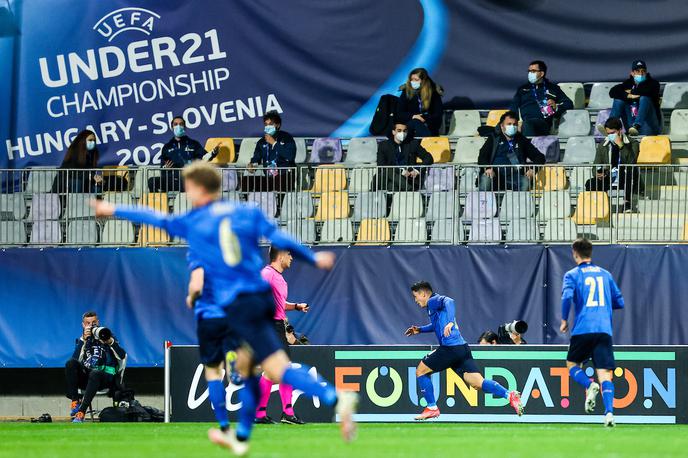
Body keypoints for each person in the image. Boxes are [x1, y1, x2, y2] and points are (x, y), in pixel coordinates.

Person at [93, 162, 357, 455]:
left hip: (236, 305)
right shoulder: (247, 212)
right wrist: (313, 258)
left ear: (197, 188)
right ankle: (247, 435)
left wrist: (112, 208)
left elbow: (153, 216)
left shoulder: (194, 221)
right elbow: (280, 239)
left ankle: (320, 401)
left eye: (188, 186)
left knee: (263, 368)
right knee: (254, 367)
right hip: (260, 299)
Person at [404, 281, 523, 420]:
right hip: (462, 349)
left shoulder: (433, 301)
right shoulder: (433, 307)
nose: (415, 300)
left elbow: (449, 301)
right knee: (478, 383)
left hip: (450, 349)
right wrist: (420, 329)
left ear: (423, 294)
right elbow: (436, 324)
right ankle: (509, 395)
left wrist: (449, 322)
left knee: (420, 371)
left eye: (415, 296)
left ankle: (431, 407)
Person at [560, 238, 625, 427]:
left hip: (583, 329)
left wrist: (564, 319)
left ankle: (589, 385)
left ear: (575, 253)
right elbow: (619, 302)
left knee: (572, 364)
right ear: (591, 252)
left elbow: (567, 297)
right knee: (605, 373)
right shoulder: (605, 275)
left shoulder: (572, 275)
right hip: (604, 329)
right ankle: (609, 414)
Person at [255, 247, 310, 425]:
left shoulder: (277, 277)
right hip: (270, 326)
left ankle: (260, 414)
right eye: (289, 254)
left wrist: (295, 306)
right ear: (280, 256)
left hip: (276, 326)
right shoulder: (267, 274)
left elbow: (278, 303)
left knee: (272, 372)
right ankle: (287, 413)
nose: (292, 258)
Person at [65, 311, 126, 423]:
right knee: (70, 363)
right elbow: (75, 360)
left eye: (94, 322)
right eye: (88, 323)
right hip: (88, 378)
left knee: (95, 373)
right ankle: (75, 402)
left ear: (98, 322)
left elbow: (122, 355)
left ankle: (81, 413)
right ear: (83, 325)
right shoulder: (82, 340)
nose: (91, 325)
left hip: (105, 377)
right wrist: (83, 340)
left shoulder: (107, 335)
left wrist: (110, 342)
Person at [478, 111, 545, 192]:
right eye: (509, 124)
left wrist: (533, 170)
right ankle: (483, 204)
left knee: (525, 181)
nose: (512, 126)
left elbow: (539, 156)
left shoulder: (522, 140)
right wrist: (487, 168)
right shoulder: (494, 138)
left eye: (514, 124)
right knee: (486, 180)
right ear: (502, 126)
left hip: (515, 177)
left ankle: (521, 204)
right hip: (494, 176)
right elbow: (482, 156)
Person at [586, 117, 642, 212]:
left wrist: (621, 145)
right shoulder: (603, 145)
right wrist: (597, 173)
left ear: (620, 131)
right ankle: (599, 206)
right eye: (608, 134)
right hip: (609, 176)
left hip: (626, 177)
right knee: (590, 183)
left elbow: (631, 161)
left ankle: (627, 203)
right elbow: (595, 165)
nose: (610, 136)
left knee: (629, 170)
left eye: (613, 133)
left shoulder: (633, 143)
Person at [148, 116, 218, 192]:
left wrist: (213, 153)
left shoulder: (193, 144)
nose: (178, 126)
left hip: (187, 179)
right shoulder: (167, 147)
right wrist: (165, 168)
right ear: (172, 127)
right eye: (175, 124)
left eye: (181, 124)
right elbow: (162, 168)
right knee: (152, 181)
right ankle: (158, 202)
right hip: (171, 180)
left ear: (185, 127)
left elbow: (205, 157)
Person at [509, 60, 573, 136]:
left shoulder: (553, 88)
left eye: (533, 71)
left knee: (528, 124)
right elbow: (514, 107)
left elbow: (569, 103)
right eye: (529, 71)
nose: (530, 73)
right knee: (498, 128)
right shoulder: (522, 89)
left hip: (543, 124)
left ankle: (528, 147)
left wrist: (556, 107)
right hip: (525, 123)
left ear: (542, 73)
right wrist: (514, 122)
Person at [244, 111, 297, 192]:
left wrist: (274, 143)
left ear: (278, 125)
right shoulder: (261, 142)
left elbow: (290, 156)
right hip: (269, 177)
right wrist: (252, 165)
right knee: (247, 181)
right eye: (266, 124)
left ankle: (279, 204)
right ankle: (250, 203)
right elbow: (256, 159)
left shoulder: (287, 138)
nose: (268, 126)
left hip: (285, 175)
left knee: (280, 179)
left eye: (271, 124)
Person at [606, 60, 661, 136]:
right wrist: (627, 95)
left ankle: (637, 125)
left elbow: (647, 91)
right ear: (632, 73)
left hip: (649, 126)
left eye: (643, 71)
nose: (641, 73)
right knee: (619, 99)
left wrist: (631, 91)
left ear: (646, 72)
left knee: (644, 98)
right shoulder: (628, 83)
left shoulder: (653, 83)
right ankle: (610, 126)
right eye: (637, 71)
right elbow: (612, 92)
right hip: (630, 125)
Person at [376, 121, 434, 192]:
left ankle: (396, 199)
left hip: (408, 179)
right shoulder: (384, 145)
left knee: (393, 186)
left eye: (405, 131)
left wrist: (417, 170)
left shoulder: (413, 144)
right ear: (393, 132)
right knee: (389, 170)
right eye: (399, 131)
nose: (402, 133)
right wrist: (400, 171)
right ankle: (409, 189)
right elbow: (381, 165)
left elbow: (428, 157)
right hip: (386, 179)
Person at [51, 130, 102, 194]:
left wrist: (97, 179)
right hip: (64, 185)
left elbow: (90, 173)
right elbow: (73, 172)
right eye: (90, 140)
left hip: (82, 184)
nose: (93, 142)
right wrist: (91, 176)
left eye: (94, 140)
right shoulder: (74, 152)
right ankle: (76, 203)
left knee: (97, 186)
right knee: (77, 182)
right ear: (83, 141)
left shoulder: (91, 155)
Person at [396, 68, 443, 137]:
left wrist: (424, 118)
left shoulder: (433, 93)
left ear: (423, 81)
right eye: (411, 79)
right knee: (415, 122)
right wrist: (413, 116)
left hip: (428, 125)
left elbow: (438, 115)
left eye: (416, 80)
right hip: (410, 124)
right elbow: (399, 113)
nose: (413, 82)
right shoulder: (406, 92)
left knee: (419, 124)